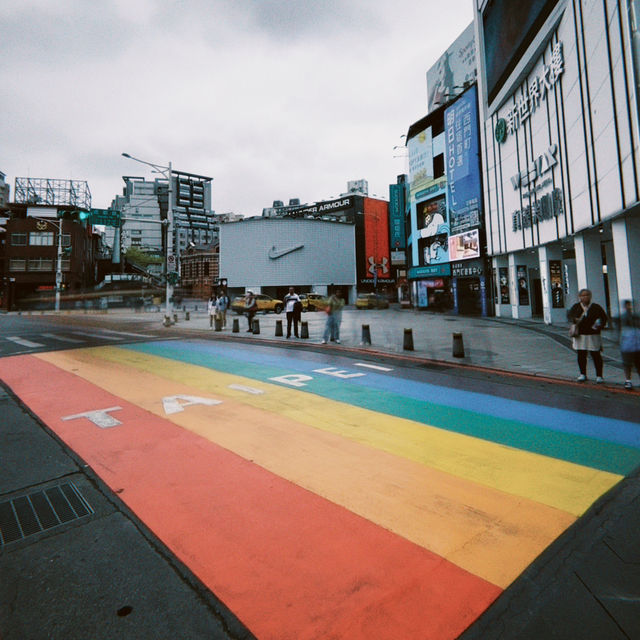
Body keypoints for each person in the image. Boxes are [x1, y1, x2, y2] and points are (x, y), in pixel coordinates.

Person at [567, 288, 608, 383]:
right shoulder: (576, 307)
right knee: (581, 355)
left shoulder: (596, 307)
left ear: (590, 296)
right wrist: (575, 320)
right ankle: (583, 374)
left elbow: (604, 318)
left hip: (593, 334)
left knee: (596, 355)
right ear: (580, 297)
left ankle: (599, 375)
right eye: (583, 295)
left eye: (587, 295)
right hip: (580, 335)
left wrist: (599, 325)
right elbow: (570, 316)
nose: (585, 297)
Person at [616, 300, 640, 390]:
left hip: (637, 343)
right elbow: (618, 330)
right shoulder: (622, 317)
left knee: (638, 363)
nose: (629, 307)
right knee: (627, 363)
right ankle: (628, 380)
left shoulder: (636, 317)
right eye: (627, 305)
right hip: (627, 343)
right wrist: (618, 340)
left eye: (630, 305)